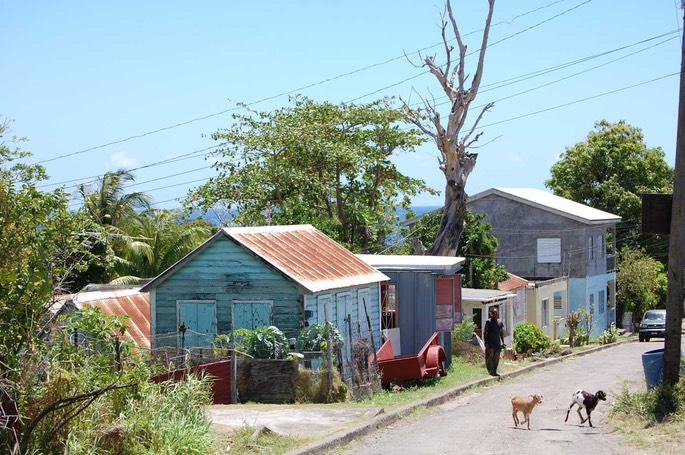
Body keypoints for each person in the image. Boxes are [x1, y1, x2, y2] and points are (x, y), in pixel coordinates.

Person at [483, 307, 505, 376]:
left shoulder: (500, 322)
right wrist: (485, 342)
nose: (495, 314)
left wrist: (503, 341)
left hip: (497, 343)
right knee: (489, 357)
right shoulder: (488, 322)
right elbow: (485, 332)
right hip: (490, 343)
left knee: (496, 358)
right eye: (493, 313)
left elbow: (501, 332)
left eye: (496, 312)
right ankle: (490, 371)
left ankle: (495, 371)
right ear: (491, 314)